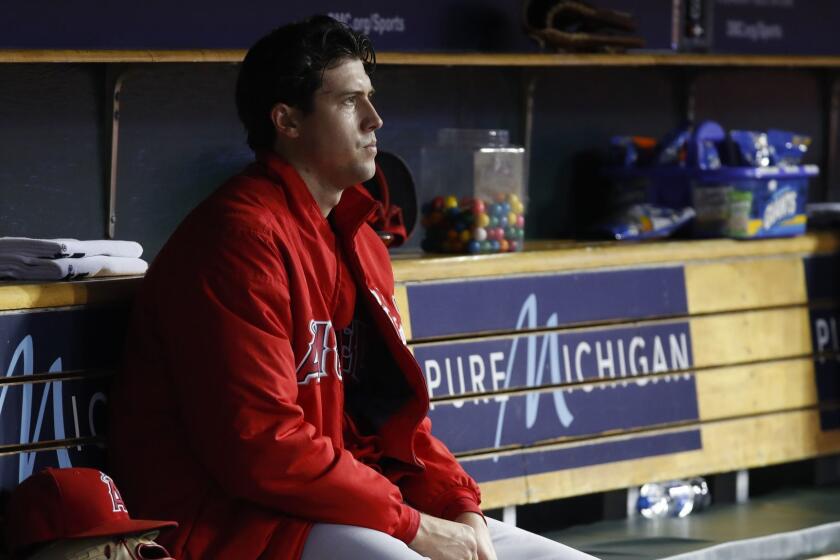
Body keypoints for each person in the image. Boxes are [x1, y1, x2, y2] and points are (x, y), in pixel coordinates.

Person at [108, 15, 597, 560]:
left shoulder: (362, 242)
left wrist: (457, 506)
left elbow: (394, 424)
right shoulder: (237, 240)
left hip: (346, 506)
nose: (375, 120)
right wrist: (414, 525)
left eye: (371, 98)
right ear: (287, 121)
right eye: (348, 102)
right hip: (236, 524)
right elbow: (261, 448)